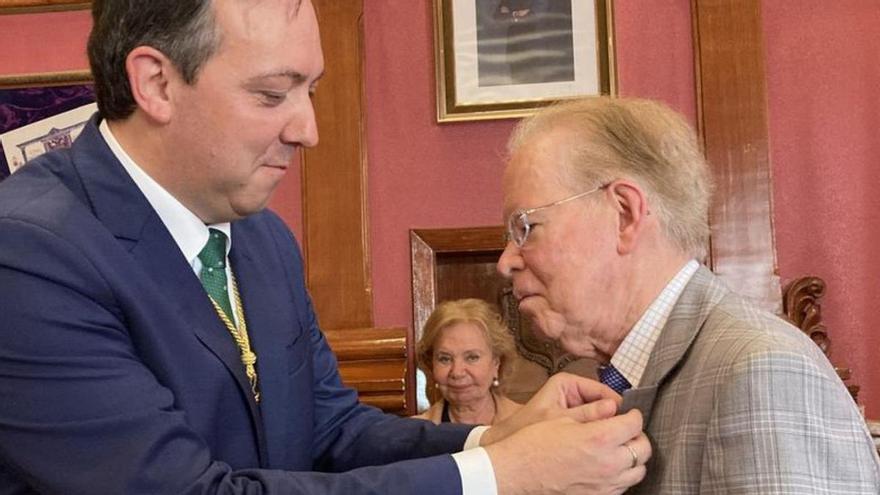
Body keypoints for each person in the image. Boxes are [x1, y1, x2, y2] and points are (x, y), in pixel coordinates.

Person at [0, 1, 651, 493]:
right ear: (157, 84)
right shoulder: (29, 254)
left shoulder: (263, 240)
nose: (308, 129)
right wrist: (498, 474)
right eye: (271, 94)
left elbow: (336, 432)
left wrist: (498, 434)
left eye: (310, 91)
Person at [497, 95, 880, 493]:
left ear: (625, 213)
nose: (506, 261)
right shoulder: (606, 380)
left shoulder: (762, 370)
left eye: (526, 228)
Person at [413, 299, 522, 425]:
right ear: (431, 365)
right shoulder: (414, 434)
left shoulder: (528, 424)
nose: (457, 372)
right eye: (445, 359)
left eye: (472, 357)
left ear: (496, 363)